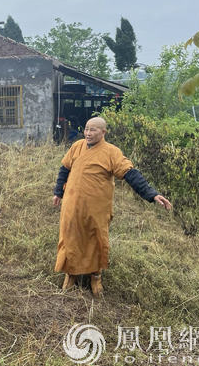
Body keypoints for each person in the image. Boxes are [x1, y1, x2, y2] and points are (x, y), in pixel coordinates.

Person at [52, 117, 172, 296]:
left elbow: (130, 174)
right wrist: (58, 192)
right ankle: (71, 274)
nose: (88, 133)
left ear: (103, 132)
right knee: (71, 235)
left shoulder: (111, 152)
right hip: (72, 203)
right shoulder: (77, 146)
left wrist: (151, 193)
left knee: (96, 238)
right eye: (86, 129)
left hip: (97, 207)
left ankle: (95, 276)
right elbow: (65, 168)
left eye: (93, 130)